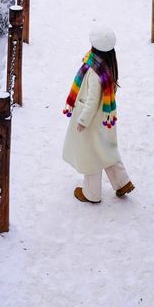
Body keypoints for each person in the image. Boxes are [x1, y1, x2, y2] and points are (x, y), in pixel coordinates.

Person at [62, 25, 135, 203]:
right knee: (105, 149)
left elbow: (92, 101)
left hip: (91, 121)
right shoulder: (106, 66)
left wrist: (83, 121)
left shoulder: (95, 71)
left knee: (91, 155)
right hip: (103, 119)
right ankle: (122, 182)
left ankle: (91, 193)